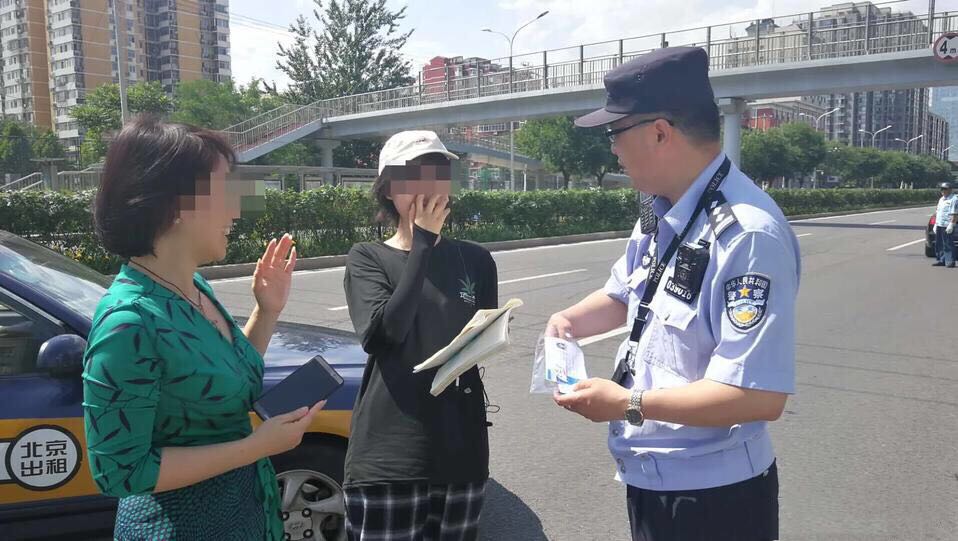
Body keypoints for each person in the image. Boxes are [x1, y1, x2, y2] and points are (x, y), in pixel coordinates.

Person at [549, 47, 800, 541]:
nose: (613, 149)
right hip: (651, 479)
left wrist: (629, 404)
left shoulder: (747, 235)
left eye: (615, 133)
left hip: (715, 499)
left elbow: (757, 395)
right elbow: (626, 295)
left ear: (660, 132)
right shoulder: (660, 210)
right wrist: (568, 321)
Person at [83, 116, 322, 540]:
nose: (235, 210)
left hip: (241, 512)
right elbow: (120, 472)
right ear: (175, 205)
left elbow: (219, 381)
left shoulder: (193, 288)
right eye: (221, 192)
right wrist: (255, 446)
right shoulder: (128, 322)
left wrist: (266, 311)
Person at [342, 131, 498, 541]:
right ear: (388, 189)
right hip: (389, 458)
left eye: (438, 174)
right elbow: (383, 336)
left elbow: (481, 340)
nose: (428, 186)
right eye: (413, 176)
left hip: (461, 451)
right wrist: (423, 243)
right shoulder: (367, 257)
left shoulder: (475, 259)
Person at [932, 182, 956, 268]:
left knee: (948, 244)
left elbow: (955, 213)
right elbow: (938, 212)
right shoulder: (941, 199)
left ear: (950, 190)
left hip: (947, 225)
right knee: (939, 244)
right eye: (941, 189)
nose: (943, 191)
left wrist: (952, 224)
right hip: (940, 224)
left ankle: (950, 261)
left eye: (945, 189)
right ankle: (942, 260)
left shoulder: (954, 199)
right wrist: (936, 224)